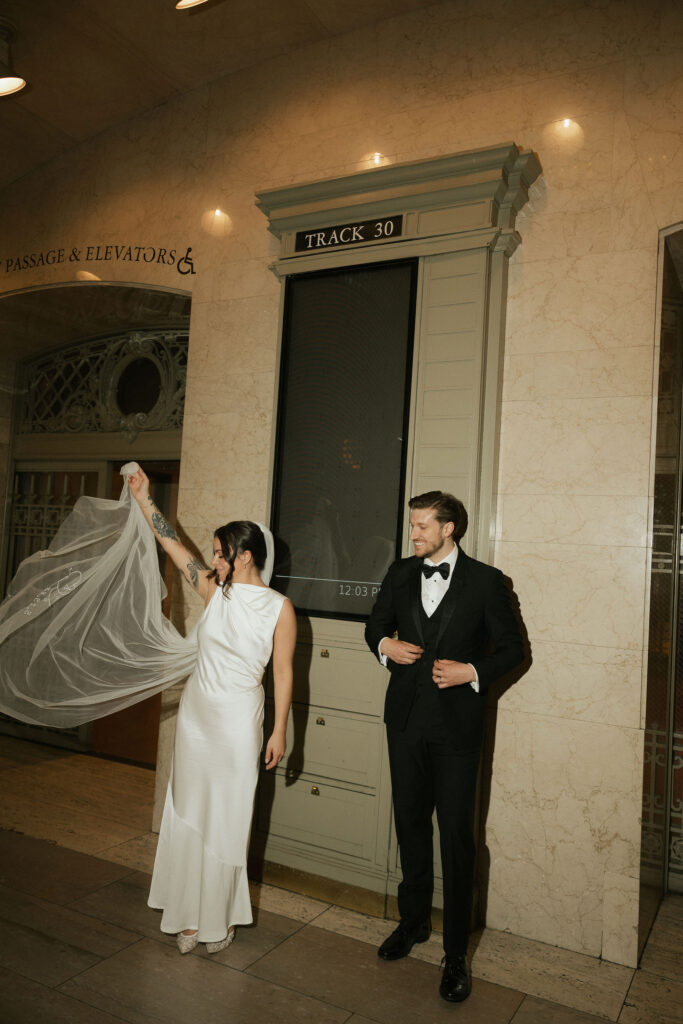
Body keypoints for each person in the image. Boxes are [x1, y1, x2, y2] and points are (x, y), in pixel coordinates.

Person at [128, 466, 296, 955]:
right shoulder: (212, 590)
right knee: (190, 812)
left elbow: (284, 675)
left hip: (239, 723)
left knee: (227, 819)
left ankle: (217, 919)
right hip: (197, 721)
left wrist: (280, 730)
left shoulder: (279, 609)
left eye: (221, 554)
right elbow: (172, 546)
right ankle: (185, 912)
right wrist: (144, 498)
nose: (213, 560)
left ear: (245, 557)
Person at [365, 491, 524, 1003]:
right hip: (405, 723)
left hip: (457, 731)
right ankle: (412, 923)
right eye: (412, 526)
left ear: (449, 528)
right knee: (409, 823)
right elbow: (374, 628)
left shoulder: (487, 582)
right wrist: (385, 646)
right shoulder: (399, 573)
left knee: (456, 838)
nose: (413, 534)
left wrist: (472, 671)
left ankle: (455, 954)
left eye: (421, 526)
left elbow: (516, 651)